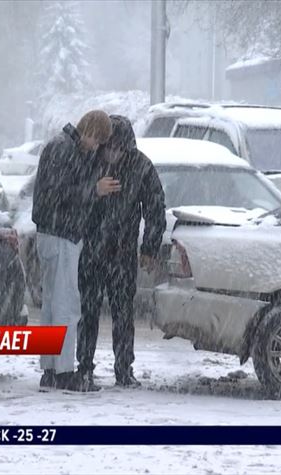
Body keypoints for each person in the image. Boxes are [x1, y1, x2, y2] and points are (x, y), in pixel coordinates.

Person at [76, 115, 166, 389]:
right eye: (109, 146)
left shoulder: (141, 167)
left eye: (118, 147)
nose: (113, 152)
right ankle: (84, 367)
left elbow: (155, 208)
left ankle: (124, 369)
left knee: (123, 314)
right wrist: (93, 192)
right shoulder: (91, 161)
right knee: (87, 311)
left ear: (127, 147)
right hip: (91, 250)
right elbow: (72, 196)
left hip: (123, 252)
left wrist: (149, 247)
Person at [32, 110, 118, 390]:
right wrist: (93, 190)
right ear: (90, 131)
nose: (96, 147)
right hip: (61, 236)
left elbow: (56, 191)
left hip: (53, 234)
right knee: (67, 306)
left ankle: (50, 369)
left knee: (52, 306)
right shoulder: (64, 150)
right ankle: (65, 372)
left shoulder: (61, 147)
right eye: (98, 141)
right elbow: (58, 193)